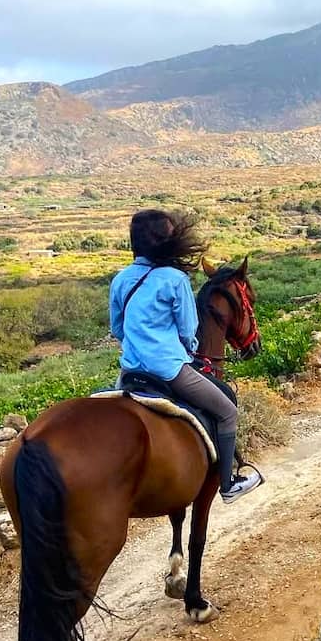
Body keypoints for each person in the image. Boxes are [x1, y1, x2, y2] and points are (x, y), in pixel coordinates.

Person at [109, 209, 261, 504]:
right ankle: (229, 483)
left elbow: (118, 328)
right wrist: (185, 349)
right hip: (170, 370)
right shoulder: (175, 279)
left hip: (129, 373)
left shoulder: (121, 279)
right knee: (227, 410)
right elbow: (188, 331)